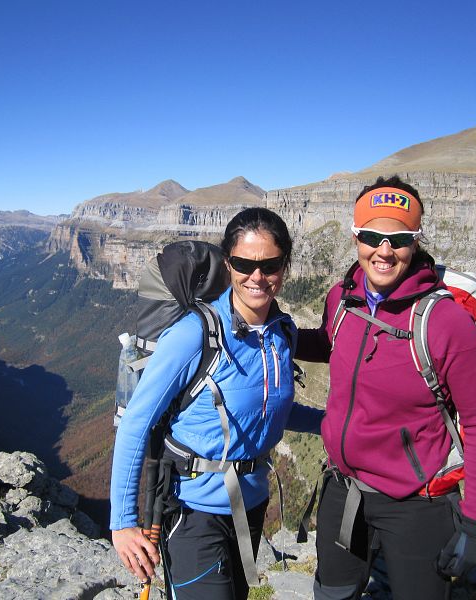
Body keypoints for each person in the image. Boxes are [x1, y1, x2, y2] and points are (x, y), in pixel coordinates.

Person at [297, 175, 476, 599]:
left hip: (416, 504)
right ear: (356, 236)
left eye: (399, 238)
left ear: (416, 240)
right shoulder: (342, 298)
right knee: (333, 593)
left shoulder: (444, 322)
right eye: (373, 236)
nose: (384, 250)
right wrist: (276, 332)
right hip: (344, 487)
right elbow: (329, 342)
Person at [110, 207, 324, 599]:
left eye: (270, 264)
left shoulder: (280, 334)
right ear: (229, 264)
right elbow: (136, 423)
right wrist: (123, 523)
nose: (257, 276)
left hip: (252, 506)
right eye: (244, 263)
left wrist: (334, 424)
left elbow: (270, 409)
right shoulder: (195, 335)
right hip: (193, 512)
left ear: (285, 267)